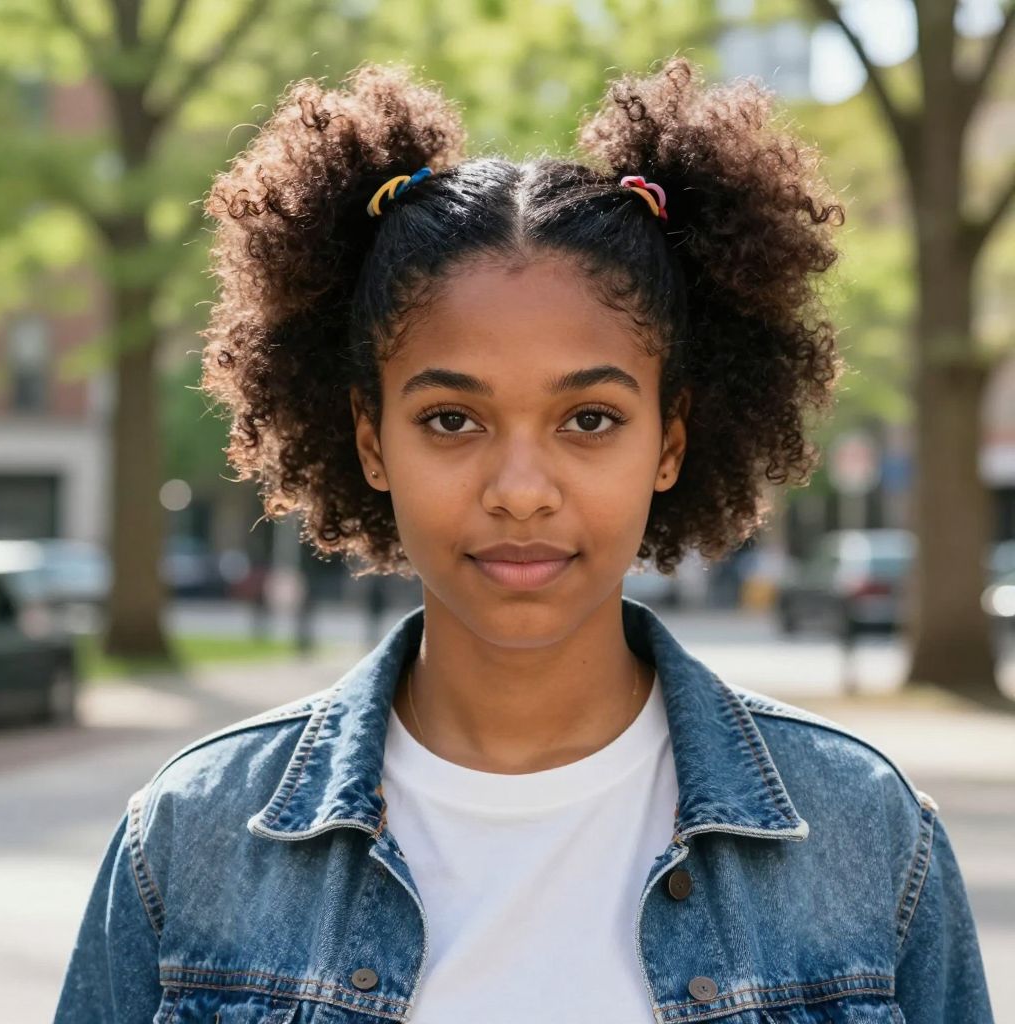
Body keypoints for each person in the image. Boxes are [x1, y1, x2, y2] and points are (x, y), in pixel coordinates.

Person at [54, 57, 994, 1024]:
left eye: (589, 419)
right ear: (372, 442)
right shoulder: (191, 835)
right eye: (452, 421)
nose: (521, 493)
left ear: (668, 444)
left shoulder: (865, 834)